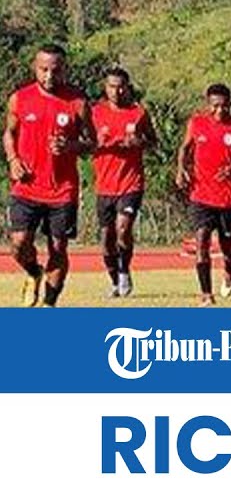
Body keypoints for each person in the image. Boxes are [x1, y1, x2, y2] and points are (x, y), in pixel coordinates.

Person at [4, 44, 94, 307]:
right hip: (26, 186)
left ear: (64, 70)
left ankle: (49, 304)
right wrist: (13, 159)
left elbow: (92, 143)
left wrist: (71, 146)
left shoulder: (77, 102)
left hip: (62, 189)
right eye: (43, 70)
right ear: (35, 68)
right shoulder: (20, 98)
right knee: (19, 243)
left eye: (55, 70)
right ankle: (34, 272)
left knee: (58, 247)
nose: (49, 76)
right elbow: (9, 133)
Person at [90, 66, 155, 298]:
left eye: (120, 87)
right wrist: (96, 143)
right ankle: (114, 280)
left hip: (131, 183)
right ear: (105, 87)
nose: (116, 91)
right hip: (104, 185)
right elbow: (83, 143)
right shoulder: (95, 112)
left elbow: (153, 141)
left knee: (123, 228)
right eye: (111, 86)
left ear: (127, 87)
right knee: (107, 239)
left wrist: (139, 142)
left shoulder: (138, 112)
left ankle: (125, 271)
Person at [175, 84, 231, 306]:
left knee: (226, 244)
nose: (219, 110)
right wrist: (181, 170)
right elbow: (185, 148)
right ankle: (206, 294)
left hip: (229, 197)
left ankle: (229, 271)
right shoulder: (197, 123)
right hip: (201, 194)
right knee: (202, 239)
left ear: (230, 104)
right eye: (215, 106)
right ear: (208, 104)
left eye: (224, 106)